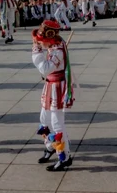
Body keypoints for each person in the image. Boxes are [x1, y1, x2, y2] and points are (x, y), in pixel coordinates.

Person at [33, 19, 75, 171]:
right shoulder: (54, 45)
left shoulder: (57, 49)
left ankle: (64, 156)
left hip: (57, 87)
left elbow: (45, 68)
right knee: (44, 119)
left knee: (57, 123)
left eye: (42, 41)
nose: (40, 43)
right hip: (50, 85)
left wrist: (36, 51)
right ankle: (50, 146)